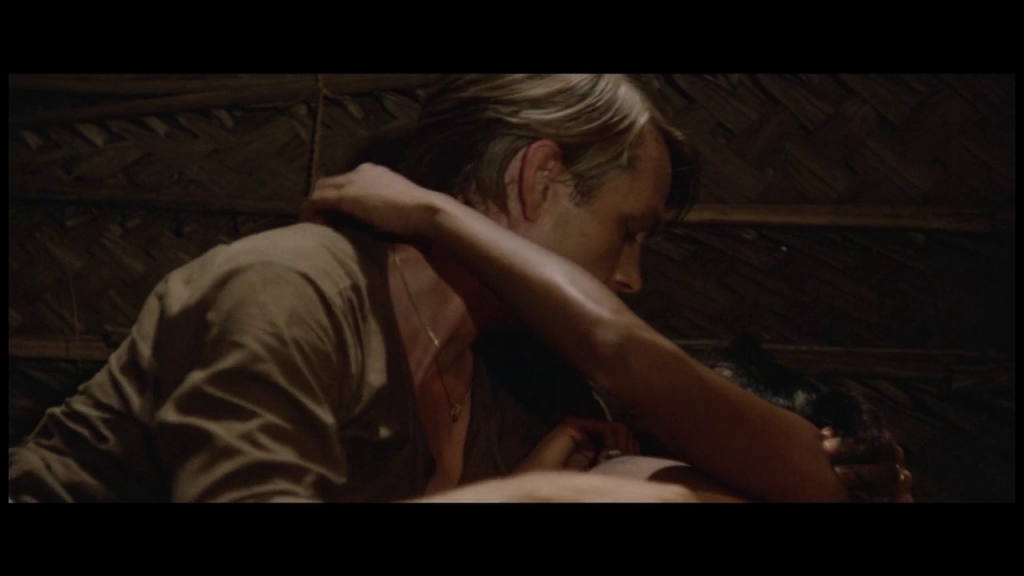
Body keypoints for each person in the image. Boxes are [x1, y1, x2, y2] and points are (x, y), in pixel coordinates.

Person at [8, 75, 909, 502]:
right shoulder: (290, 289)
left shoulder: (512, 382)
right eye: (627, 232)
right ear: (538, 179)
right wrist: (529, 502)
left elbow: (809, 490)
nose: (630, 278)